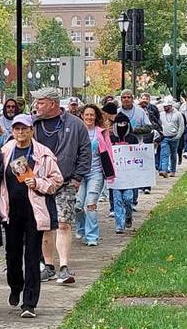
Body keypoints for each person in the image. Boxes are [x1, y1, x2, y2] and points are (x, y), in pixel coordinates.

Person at [0, 114, 63, 318]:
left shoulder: (43, 154)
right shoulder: (5, 151)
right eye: (17, 129)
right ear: (12, 131)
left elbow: (57, 180)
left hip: (35, 212)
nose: (20, 133)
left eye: (24, 129)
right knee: (13, 256)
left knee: (33, 257)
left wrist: (39, 183)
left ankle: (29, 302)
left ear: (31, 130)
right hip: (11, 211)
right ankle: (15, 286)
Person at [32, 87, 91, 285]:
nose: (36, 106)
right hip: (39, 184)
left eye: (41, 102)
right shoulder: (31, 125)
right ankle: (48, 266)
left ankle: (64, 267)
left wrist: (77, 179)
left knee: (64, 223)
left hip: (65, 183)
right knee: (45, 225)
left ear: (53, 104)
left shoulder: (75, 125)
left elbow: (85, 152)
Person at [74, 105, 114, 246]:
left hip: (95, 172)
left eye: (92, 115)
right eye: (87, 115)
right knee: (78, 205)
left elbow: (108, 152)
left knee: (90, 204)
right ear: (82, 116)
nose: (89, 117)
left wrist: (111, 171)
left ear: (96, 116)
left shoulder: (101, 133)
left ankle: (92, 236)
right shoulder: (77, 132)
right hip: (79, 174)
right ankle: (81, 228)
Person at [110, 113, 141, 233]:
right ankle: (119, 225)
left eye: (124, 123)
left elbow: (138, 154)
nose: (122, 126)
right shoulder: (112, 139)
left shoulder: (132, 138)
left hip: (129, 177)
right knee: (117, 200)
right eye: (119, 123)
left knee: (128, 199)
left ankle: (128, 215)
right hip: (116, 176)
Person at [159, 96, 185, 177]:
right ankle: (164, 170)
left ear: (170, 106)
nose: (165, 107)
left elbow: (181, 126)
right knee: (164, 154)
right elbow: (159, 125)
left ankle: (173, 170)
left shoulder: (178, 114)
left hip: (174, 137)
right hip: (164, 137)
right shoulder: (161, 114)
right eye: (164, 106)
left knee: (173, 154)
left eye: (166, 106)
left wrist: (178, 136)